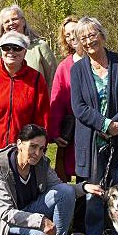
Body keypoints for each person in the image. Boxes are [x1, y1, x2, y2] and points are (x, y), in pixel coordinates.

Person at [70, 16, 118, 235]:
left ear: (102, 35)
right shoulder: (77, 70)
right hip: (92, 139)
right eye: (83, 38)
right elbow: (78, 107)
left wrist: (116, 124)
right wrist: (105, 125)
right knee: (95, 192)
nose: (88, 41)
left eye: (92, 35)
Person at [0, 31, 50, 205]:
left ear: (25, 51)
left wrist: (39, 145)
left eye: (17, 48)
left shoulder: (35, 79)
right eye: (7, 47)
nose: (11, 52)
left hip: (21, 148)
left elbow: (42, 115)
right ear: (1, 50)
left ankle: (19, 227)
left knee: (19, 188)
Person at [0, 4, 58, 89]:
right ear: (3, 26)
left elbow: (53, 78)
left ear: (23, 21)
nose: (11, 23)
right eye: (7, 22)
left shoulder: (40, 46)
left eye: (14, 19)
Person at [46, 16, 81, 182]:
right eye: (67, 35)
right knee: (66, 178)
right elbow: (56, 102)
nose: (72, 37)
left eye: (74, 31)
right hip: (71, 130)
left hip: (95, 130)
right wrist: (54, 132)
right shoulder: (64, 66)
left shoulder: (98, 61)